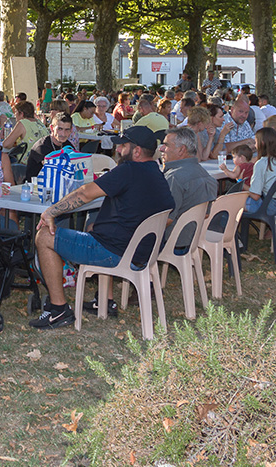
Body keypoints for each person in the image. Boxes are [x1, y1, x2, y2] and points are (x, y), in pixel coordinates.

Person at [31, 125, 175, 329]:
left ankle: (58, 309)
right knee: (92, 227)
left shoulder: (128, 170)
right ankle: (105, 301)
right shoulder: (156, 172)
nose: (117, 150)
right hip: (144, 253)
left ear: (136, 151)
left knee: (44, 236)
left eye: (123, 146)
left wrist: (50, 212)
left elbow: (84, 194)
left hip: (114, 252)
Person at [159, 126, 218, 240]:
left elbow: (166, 219)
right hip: (194, 237)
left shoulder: (174, 178)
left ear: (181, 150)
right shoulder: (204, 174)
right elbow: (206, 214)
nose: (161, 149)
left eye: (166, 145)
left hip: (172, 240)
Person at [245, 127, 276, 218]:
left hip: (269, 206)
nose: (255, 145)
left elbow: (255, 196)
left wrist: (240, 182)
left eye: (255, 142)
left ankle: (224, 230)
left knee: (233, 203)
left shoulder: (261, 164)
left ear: (262, 143)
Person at [24, 113, 75, 180]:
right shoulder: (41, 147)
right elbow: (53, 171)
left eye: (67, 130)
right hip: (36, 186)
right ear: (52, 128)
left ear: (71, 130)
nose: (63, 134)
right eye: (60, 129)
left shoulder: (68, 146)